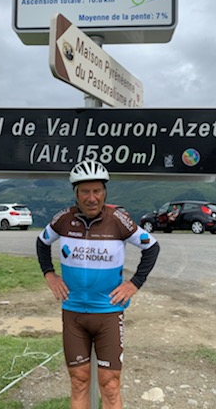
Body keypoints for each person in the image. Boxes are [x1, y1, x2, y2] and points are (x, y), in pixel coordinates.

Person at [36, 160, 160, 409]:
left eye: (97, 191)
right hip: (73, 314)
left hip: (108, 313)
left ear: (105, 193)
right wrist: (50, 274)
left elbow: (152, 246)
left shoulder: (118, 220)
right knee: (79, 381)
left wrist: (134, 284)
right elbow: (42, 242)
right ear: (76, 194)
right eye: (85, 191)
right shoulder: (63, 219)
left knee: (110, 385)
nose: (91, 198)